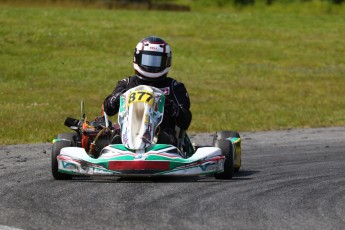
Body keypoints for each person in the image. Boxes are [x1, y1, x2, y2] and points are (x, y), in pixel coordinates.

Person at [103, 36, 192, 146]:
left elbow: (185, 121)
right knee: (116, 134)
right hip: (128, 134)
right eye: (148, 59)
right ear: (137, 58)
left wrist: (170, 105)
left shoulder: (174, 86)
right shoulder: (127, 83)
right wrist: (119, 98)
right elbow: (108, 109)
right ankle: (120, 148)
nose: (151, 65)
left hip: (162, 137)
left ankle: (162, 151)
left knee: (167, 136)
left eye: (157, 61)